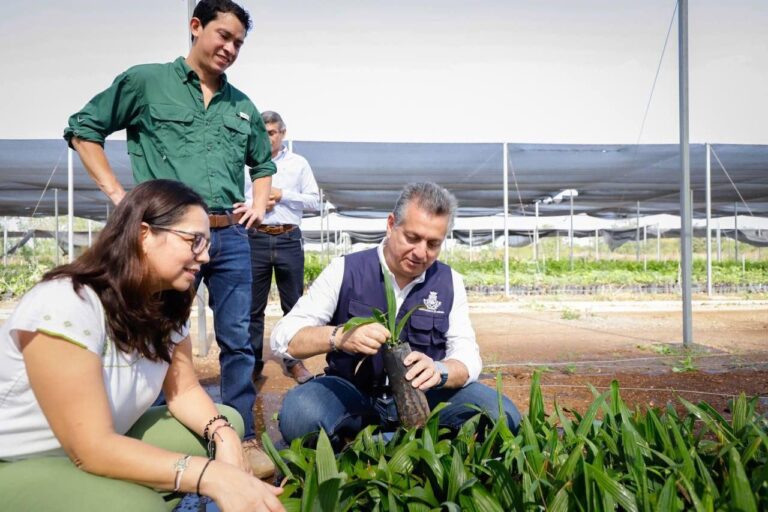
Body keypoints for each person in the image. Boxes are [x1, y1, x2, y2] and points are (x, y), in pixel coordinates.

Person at [63, 0, 275, 475]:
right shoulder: (146, 83)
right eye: (223, 35)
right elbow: (84, 129)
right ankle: (158, 430)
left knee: (239, 339)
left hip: (230, 235)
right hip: (165, 237)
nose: (230, 48)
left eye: (239, 42)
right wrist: (118, 194)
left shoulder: (241, 107)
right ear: (195, 27)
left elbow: (263, 164)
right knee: (154, 332)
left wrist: (258, 204)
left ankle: (241, 436)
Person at [0, 180, 284, 512]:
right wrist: (207, 475)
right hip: (22, 458)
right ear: (144, 234)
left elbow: (184, 391)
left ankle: (115, 488)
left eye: (206, 243)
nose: (206, 256)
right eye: (195, 241)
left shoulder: (165, 305)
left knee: (227, 420)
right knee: (140, 506)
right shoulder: (67, 303)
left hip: (106, 440)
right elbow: (88, 448)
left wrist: (224, 437)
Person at [270, 182, 521, 448]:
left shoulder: (449, 281)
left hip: (424, 397)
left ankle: (378, 446)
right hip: (354, 394)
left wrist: (441, 371)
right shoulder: (346, 270)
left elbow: (468, 354)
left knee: (503, 415)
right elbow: (283, 339)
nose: (421, 253)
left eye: (433, 244)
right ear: (391, 225)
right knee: (301, 414)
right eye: (412, 238)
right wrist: (338, 336)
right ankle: (390, 445)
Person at [245, 111, 319, 384]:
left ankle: (294, 361)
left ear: (282, 133)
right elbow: (238, 199)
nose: (268, 138)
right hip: (256, 238)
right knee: (253, 307)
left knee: (294, 306)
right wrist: (258, 202)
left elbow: (314, 201)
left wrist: (282, 194)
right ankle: (253, 363)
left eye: (272, 133)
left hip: (288, 239)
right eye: (262, 133)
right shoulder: (246, 163)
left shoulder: (298, 164)